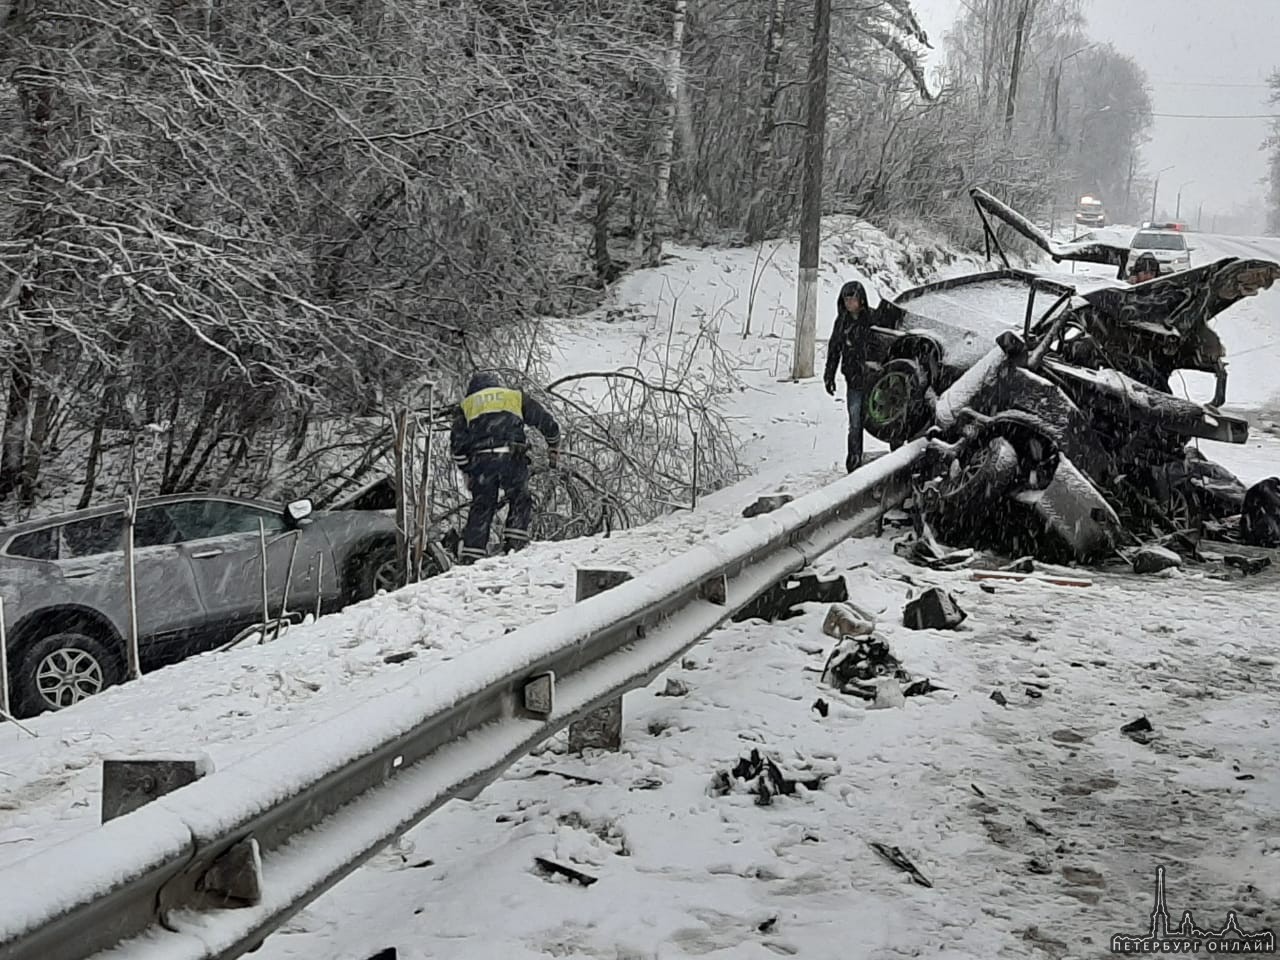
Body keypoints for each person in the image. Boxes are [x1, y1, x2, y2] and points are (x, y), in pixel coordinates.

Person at [450, 372, 561, 564]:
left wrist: (469, 470)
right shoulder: (514, 396)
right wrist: (553, 443)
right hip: (511, 456)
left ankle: (472, 556)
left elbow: (458, 447)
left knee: (482, 506)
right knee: (520, 498)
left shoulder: (467, 405)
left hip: (482, 461)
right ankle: (514, 544)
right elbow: (544, 421)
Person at [823, 280, 877, 473]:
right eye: (846, 300)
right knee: (855, 422)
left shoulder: (873, 320)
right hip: (853, 380)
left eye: (853, 299)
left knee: (882, 419)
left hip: (875, 380)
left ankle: (896, 458)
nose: (849, 304)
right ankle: (853, 461)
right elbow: (834, 350)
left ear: (861, 300)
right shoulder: (842, 322)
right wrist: (829, 375)